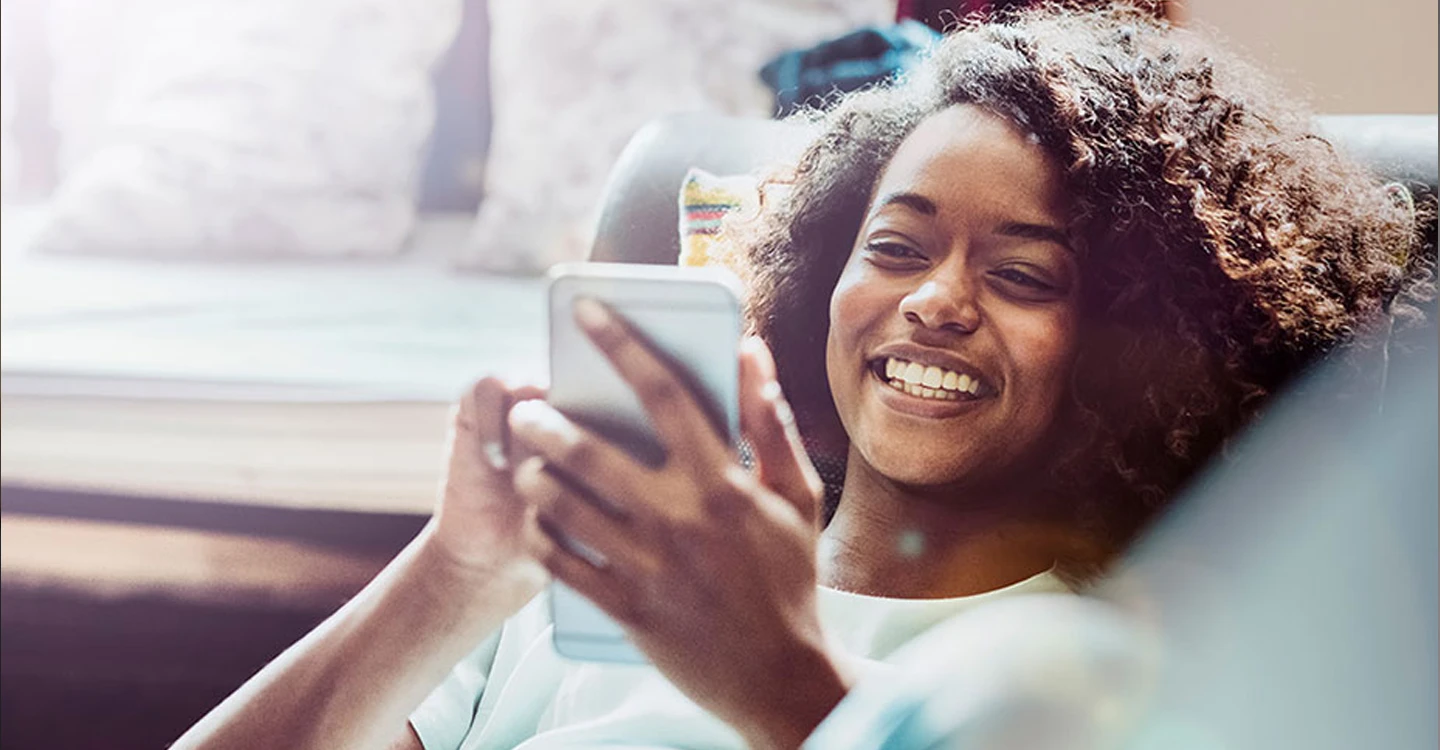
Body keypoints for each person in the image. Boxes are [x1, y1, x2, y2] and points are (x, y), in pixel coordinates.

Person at [171, 5, 1430, 750]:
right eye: (894, 247)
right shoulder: (596, 578)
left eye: (1027, 275)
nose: (934, 299)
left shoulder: (1106, 670)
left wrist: (778, 674)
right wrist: (454, 575)